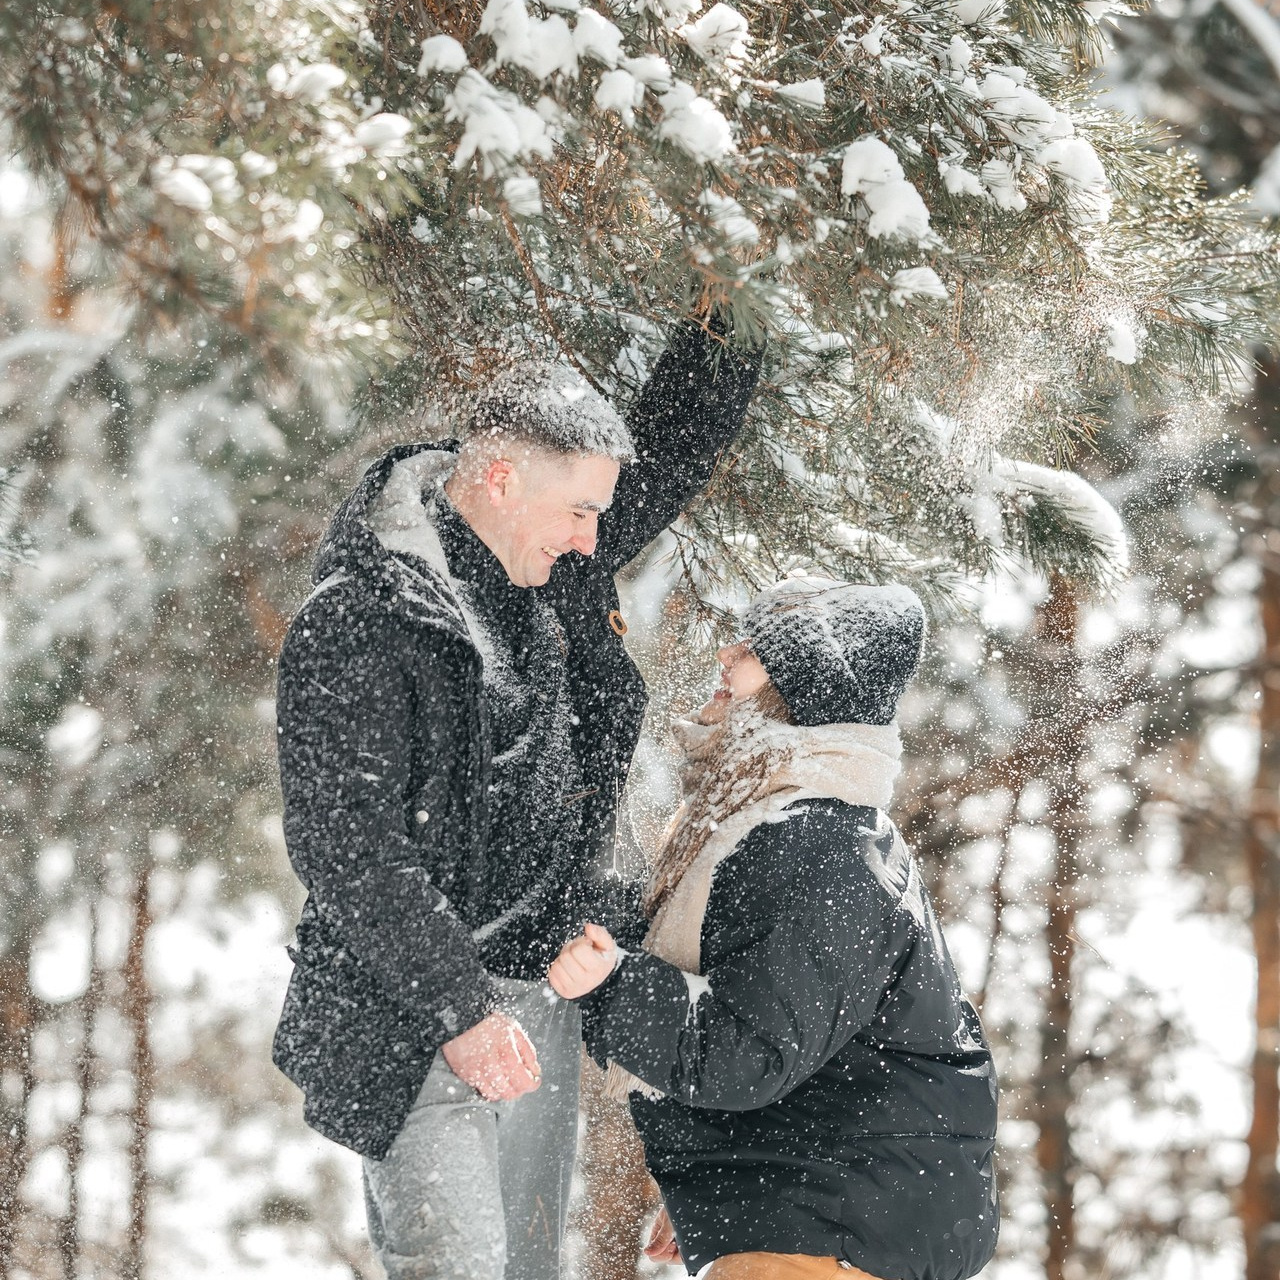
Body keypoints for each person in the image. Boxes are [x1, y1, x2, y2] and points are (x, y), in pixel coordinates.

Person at [271, 312, 763, 1280]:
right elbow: (346, 844)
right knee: (458, 1264)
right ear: (499, 480)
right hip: (415, 1006)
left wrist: (734, 297)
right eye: (579, 512)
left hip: (541, 994)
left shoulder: (549, 568)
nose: (593, 540)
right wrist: (460, 1011)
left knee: (528, 1265)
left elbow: (665, 454)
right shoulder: (363, 613)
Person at [549, 577, 1000, 1280]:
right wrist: (727, 1193)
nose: (726, 655)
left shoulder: (818, 842)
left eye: (757, 649)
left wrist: (612, 983)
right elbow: (785, 1032)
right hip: (826, 1211)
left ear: (804, 684)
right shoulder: (794, 826)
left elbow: (749, 1052)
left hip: (836, 1223)